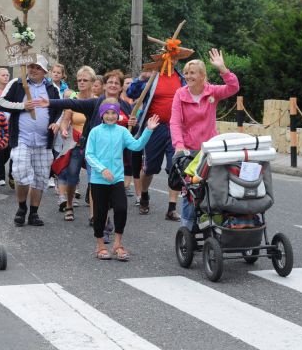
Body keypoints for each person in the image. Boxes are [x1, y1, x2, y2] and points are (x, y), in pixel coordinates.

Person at [37, 69, 135, 231]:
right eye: (110, 82)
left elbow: (131, 130)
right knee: (89, 180)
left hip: (116, 154)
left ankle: (99, 215)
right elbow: (72, 103)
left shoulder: (125, 105)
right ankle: (93, 215)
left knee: (109, 187)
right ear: (104, 86)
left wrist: (134, 122)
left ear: (121, 87)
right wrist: (50, 102)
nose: (113, 85)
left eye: (116, 83)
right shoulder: (96, 103)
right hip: (94, 151)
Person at [170, 50, 239, 228]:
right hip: (189, 149)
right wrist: (179, 146)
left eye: (192, 72)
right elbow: (175, 122)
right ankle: (186, 227)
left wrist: (223, 69)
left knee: (215, 186)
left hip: (210, 148)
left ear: (202, 76)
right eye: (186, 72)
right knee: (190, 189)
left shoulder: (212, 92)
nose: (188, 76)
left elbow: (233, 88)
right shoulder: (180, 94)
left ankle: (213, 222)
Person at [86, 98, 159, 261]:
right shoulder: (95, 132)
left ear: (118, 114)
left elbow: (137, 146)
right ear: (102, 114)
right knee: (100, 213)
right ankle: (100, 246)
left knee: (121, 208)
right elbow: (89, 155)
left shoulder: (122, 131)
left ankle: (117, 244)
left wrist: (148, 130)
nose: (110, 116)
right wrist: (102, 169)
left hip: (117, 179)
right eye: (107, 113)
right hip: (99, 180)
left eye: (114, 113)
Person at [0, 55, 62, 227]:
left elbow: (60, 107)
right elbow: (0, 102)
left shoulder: (52, 88)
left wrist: (57, 122)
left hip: (44, 141)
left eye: (37, 67)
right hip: (21, 139)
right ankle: (21, 208)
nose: (33, 70)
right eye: (31, 66)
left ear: (44, 72)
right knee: (21, 173)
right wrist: (21, 106)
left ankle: (34, 212)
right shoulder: (18, 84)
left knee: (41, 178)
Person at [127, 59, 186, 220]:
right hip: (154, 127)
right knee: (150, 167)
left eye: (175, 57)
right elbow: (131, 94)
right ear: (163, 59)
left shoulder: (181, 78)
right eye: (169, 57)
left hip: (175, 127)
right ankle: (144, 195)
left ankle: (172, 207)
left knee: (175, 166)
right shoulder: (153, 76)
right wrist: (141, 79)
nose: (172, 61)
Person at [53, 66, 96, 222]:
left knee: (94, 179)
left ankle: (93, 214)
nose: (82, 83)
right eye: (79, 80)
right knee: (72, 175)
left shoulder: (97, 100)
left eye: (85, 80)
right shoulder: (73, 100)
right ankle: (69, 205)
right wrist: (64, 130)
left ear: (92, 82)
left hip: (93, 143)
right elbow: (65, 120)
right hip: (75, 143)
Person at [0, 68, 13, 187]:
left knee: (9, 150)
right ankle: (0, 176)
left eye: (7, 75)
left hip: (10, 125)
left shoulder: (11, 90)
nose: (6, 77)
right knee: (0, 150)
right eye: (3, 75)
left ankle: (10, 174)